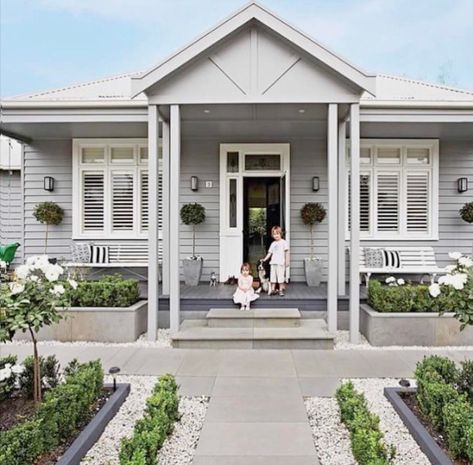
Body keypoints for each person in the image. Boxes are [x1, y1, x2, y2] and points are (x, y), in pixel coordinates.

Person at [261, 225, 289, 296]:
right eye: (274, 234)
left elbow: (286, 252)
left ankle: (280, 290)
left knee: (280, 277)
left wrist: (287, 261)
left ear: (280, 234)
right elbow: (269, 253)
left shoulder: (284, 242)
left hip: (280, 263)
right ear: (272, 235)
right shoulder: (273, 244)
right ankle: (273, 289)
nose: (276, 235)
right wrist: (264, 259)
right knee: (273, 277)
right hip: (273, 263)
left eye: (277, 234)